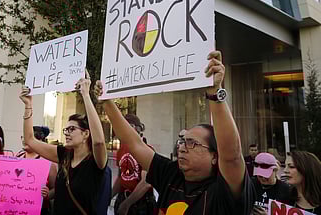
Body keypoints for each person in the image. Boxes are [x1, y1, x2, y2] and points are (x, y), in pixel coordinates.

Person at [96, 51, 255, 215]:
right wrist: (106, 101)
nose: (182, 148)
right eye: (182, 142)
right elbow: (134, 143)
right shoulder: (170, 174)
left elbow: (232, 155)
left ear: (215, 156)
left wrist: (215, 92)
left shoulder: (225, 191)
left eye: (192, 143)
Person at [19, 73, 107, 214]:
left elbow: (99, 142)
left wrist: (85, 94)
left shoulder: (96, 161)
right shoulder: (64, 155)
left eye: (72, 129)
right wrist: (28, 105)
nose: (66, 133)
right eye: (66, 129)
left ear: (86, 134)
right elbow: (30, 139)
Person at [112, 114, 154, 215]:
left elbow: (145, 183)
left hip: (141, 203)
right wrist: (108, 196)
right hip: (122, 197)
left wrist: (127, 204)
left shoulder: (147, 150)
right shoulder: (121, 150)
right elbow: (120, 177)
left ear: (132, 127)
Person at [16, 126, 57, 215]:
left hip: (39, 210)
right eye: (23, 137)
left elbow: (55, 188)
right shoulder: (16, 158)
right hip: (16, 208)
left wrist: (47, 194)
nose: (24, 140)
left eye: (28, 137)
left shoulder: (48, 163)